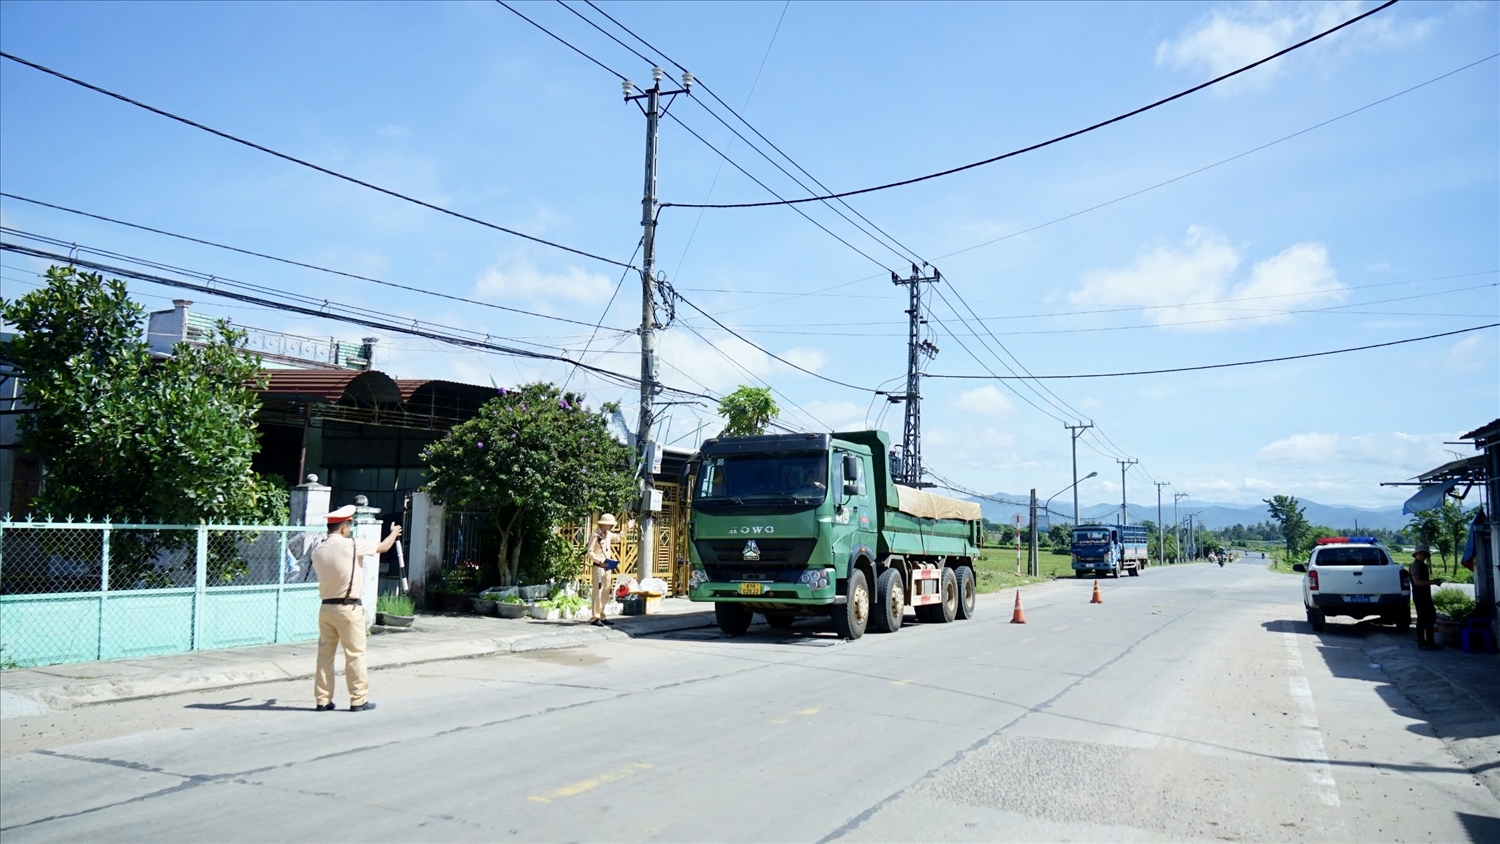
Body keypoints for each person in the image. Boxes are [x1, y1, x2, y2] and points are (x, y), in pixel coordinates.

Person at [311, 504, 403, 711]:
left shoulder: (318, 551)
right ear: (344, 528)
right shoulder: (352, 545)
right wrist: (393, 533)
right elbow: (383, 547)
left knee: (325, 655)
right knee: (355, 655)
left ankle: (322, 700)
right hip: (349, 608)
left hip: (326, 608)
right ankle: (358, 699)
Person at [586, 514, 631, 626]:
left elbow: (617, 538)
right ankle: (595, 617)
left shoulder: (608, 534)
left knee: (606, 592)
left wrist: (627, 528)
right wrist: (599, 560)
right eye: (609, 524)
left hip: (608, 568)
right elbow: (590, 552)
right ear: (603, 524)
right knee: (597, 592)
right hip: (599, 567)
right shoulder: (595, 535)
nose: (610, 526)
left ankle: (602, 615)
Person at [1409, 544, 1445, 650]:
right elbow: (1417, 582)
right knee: (1422, 619)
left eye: (1423, 554)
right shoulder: (1415, 566)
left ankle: (1430, 642)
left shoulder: (1423, 566)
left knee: (1430, 618)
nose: (1422, 555)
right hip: (1419, 596)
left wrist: (1432, 582)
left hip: (1425, 595)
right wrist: (1433, 582)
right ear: (1416, 554)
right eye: (1420, 553)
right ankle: (1422, 643)